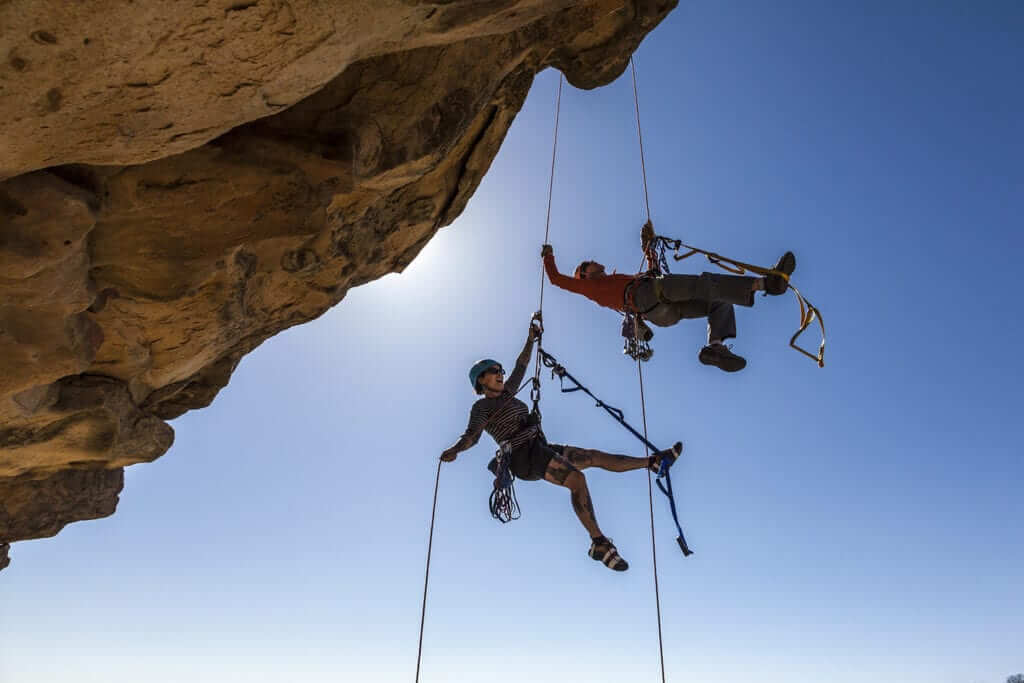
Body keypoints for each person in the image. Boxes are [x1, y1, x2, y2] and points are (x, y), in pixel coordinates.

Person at [441, 314, 681, 572]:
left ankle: (652, 463)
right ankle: (598, 543)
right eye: (494, 371)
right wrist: (455, 450)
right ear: (481, 380)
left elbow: (521, 364)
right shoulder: (482, 407)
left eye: (501, 370)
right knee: (577, 480)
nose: (501, 374)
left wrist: (530, 339)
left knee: (592, 456)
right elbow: (471, 436)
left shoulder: (509, 391)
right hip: (523, 456)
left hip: (540, 446)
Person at [540, 236, 796, 372]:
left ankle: (715, 348)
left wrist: (647, 248)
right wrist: (548, 255)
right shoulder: (590, 287)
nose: (594, 261)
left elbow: (653, 270)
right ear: (585, 274)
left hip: (659, 313)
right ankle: (766, 284)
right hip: (648, 295)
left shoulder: (614, 281)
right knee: (703, 284)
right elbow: (556, 280)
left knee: (718, 300)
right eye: (588, 263)